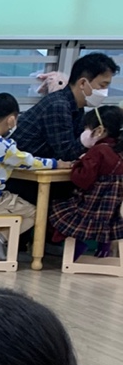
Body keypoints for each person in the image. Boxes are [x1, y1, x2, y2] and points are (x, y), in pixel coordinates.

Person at [7, 52, 120, 207]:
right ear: (83, 83)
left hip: (40, 174)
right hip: (23, 178)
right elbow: (66, 153)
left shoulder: (76, 108)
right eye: (102, 85)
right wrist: (88, 141)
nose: (105, 92)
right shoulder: (58, 105)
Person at [0, 91, 59, 262]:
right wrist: (56, 163)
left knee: (14, 199)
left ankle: (1, 243)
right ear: (12, 120)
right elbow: (27, 161)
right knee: (36, 213)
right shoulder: (2, 145)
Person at [50, 104, 123, 258]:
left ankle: (77, 245)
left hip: (90, 207)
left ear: (100, 130)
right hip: (113, 212)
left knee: (57, 208)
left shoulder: (98, 151)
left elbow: (83, 179)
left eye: (87, 127)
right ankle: (104, 245)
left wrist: (78, 164)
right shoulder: (118, 150)